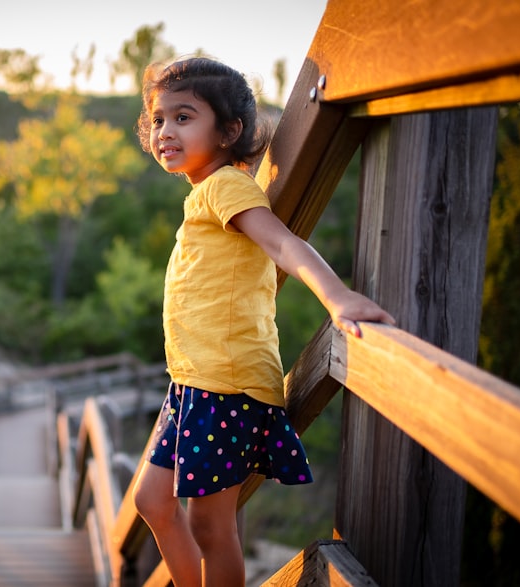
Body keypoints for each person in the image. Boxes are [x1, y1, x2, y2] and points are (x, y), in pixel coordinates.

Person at [131, 57, 396, 586]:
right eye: (159, 119)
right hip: (192, 382)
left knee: (210, 525)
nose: (165, 131)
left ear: (229, 131)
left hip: (225, 386)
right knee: (152, 501)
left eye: (184, 117)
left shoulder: (226, 187)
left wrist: (337, 297)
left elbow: (282, 243)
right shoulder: (204, 194)